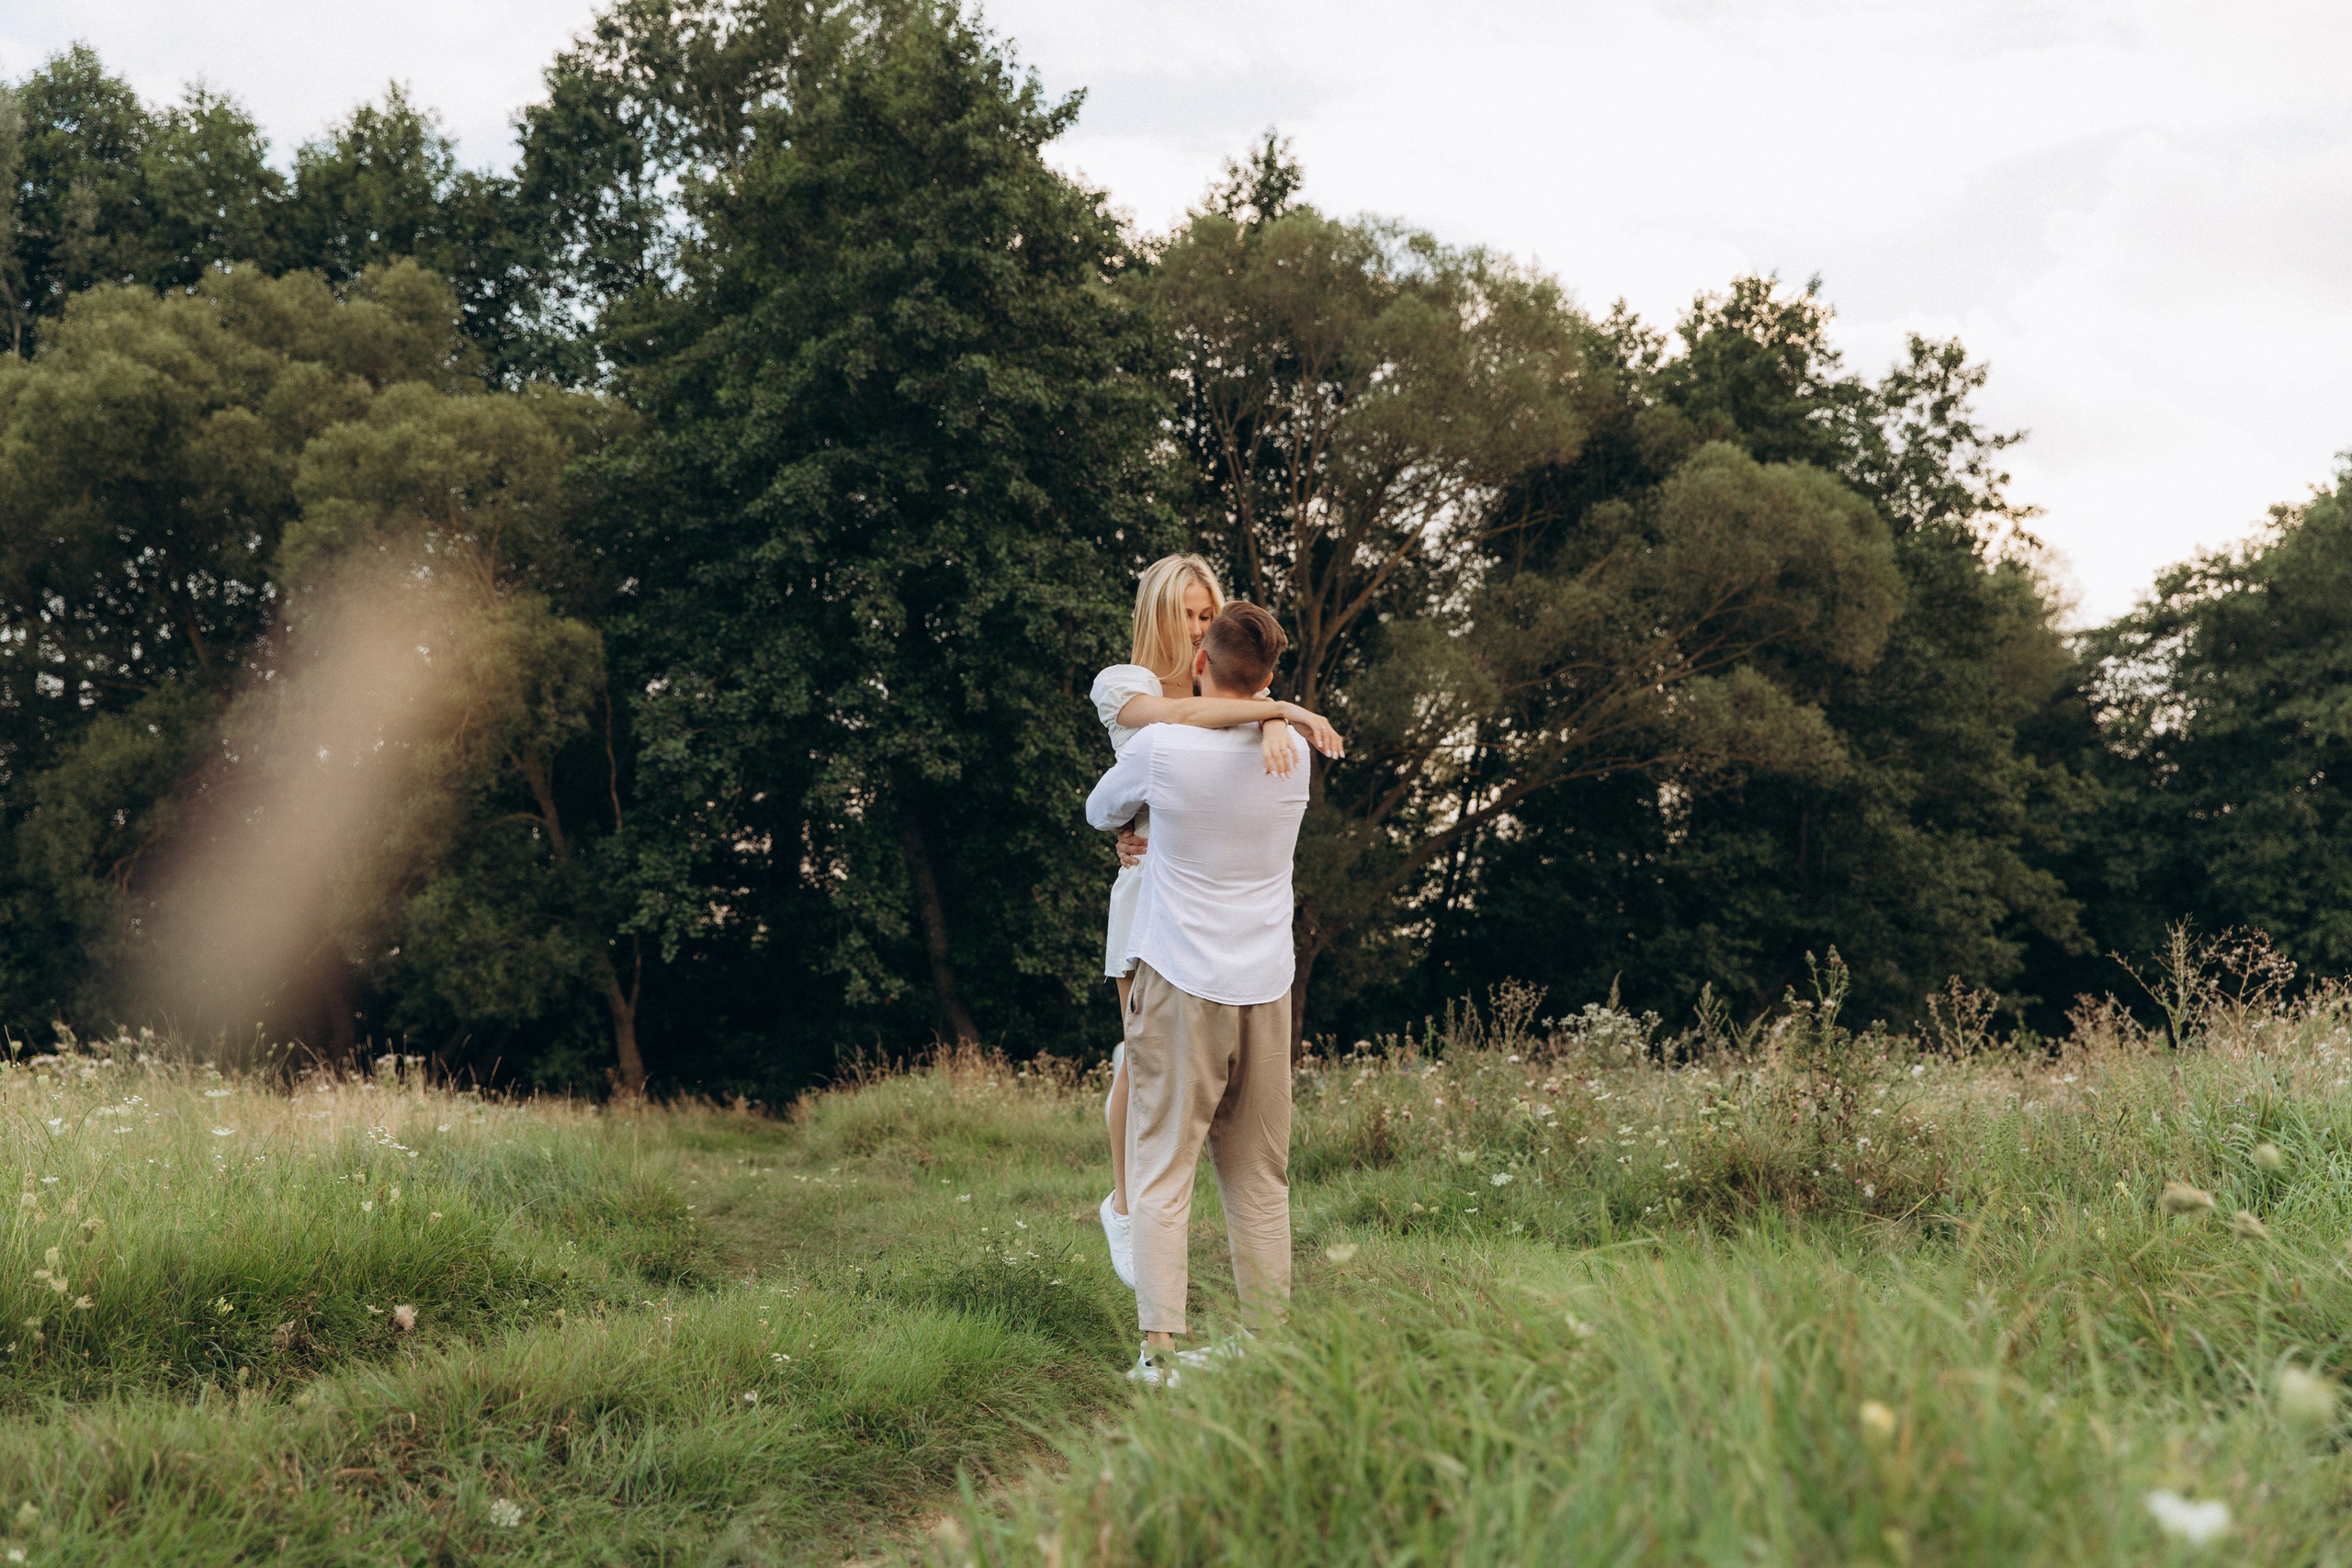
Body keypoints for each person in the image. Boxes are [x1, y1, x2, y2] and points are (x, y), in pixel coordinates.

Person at [1087, 558, 1340, 1291]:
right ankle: (1128, 1209)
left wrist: (1266, 714)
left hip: (1207, 894)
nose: (1198, 626)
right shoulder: (1125, 684)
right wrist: (1276, 709)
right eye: (1186, 613)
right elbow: (1175, 726)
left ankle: (1166, 1234)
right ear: (1158, 614)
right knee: (1143, 1067)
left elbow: (1226, 735)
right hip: (1148, 889)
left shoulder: (1233, 694)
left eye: (1207, 614)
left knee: (1164, 1072)